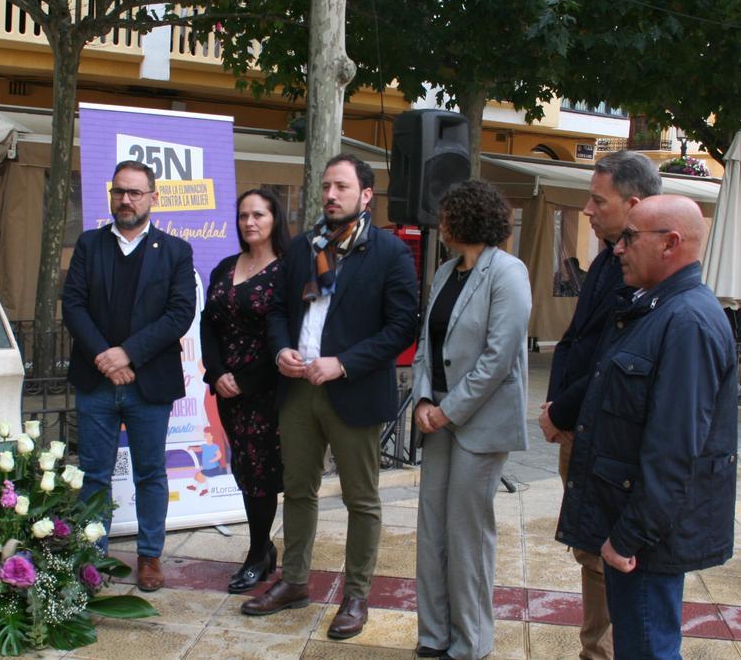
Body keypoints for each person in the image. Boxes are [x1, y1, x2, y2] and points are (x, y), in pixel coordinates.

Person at [241, 154, 419, 641]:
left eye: (340, 186)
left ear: (366, 195)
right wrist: (280, 349)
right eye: (325, 187)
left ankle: (356, 595)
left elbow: (403, 325)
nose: (330, 195)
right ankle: (295, 582)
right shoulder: (304, 247)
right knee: (298, 492)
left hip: (353, 391)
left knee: (362, 500)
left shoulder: (387, 253)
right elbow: (278, 309)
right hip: (298, 390)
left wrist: (344, 363)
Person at [556, 194, 738, 659]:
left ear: (671, 243)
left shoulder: (687, 321)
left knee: (647, 649)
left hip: (645, 542)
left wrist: (627, 537)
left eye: (631, 238)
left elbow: (675, 450)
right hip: (631, 526)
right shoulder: (653, 310)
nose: (618, 248)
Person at [538, 150, 661, 660]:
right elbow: (576, 341)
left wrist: (558, 411)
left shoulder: (642, 273)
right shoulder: (608, 258)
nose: (587, 209)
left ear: (633, 204)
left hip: (602, 433)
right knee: (590, 552)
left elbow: (610, 360)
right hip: (580, 430)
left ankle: (602, 652)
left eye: (596, 199)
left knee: (607, 556)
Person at [62, 159, 196, 593]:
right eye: (120, 191)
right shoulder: (89, 245)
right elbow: (73, 306)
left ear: (153, 198)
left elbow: (180, 314)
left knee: (150, 473)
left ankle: (150, 556)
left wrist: (126, 355)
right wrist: (104, 355)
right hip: (96, 381)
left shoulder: (176, 252)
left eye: (135, 192)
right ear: (111, 195)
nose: (126, 200)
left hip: (149, 384)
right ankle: (92, 556)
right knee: (95, 474)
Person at [410, 180, 532, 660]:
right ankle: (434, 634)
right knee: (432, 529)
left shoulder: (509, 272)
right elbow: (427, 343)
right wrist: (422, 400)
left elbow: (500, 356)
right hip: (435, 414)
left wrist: (448, 409)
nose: (439, 225)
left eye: (444, 216)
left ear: (465, 219)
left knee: (467, 533)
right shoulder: (444, 273)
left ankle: (472, 643)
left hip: (477, 421)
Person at [199, 188, 290, 593]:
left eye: (258, 215)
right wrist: (217, 372)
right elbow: (208, 323)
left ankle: (258, 553)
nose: (249, 222)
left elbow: (284, 334)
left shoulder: (286, 271)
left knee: (262, 473)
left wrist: (246, 379)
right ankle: (262, 548)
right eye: (242, 216)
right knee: (243, 469)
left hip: (266, 390)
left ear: (274, 221)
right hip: (227, 390)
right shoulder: (223, 267)